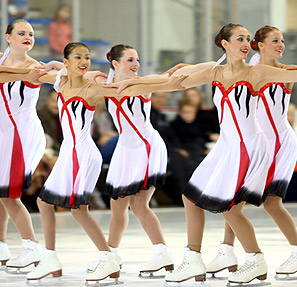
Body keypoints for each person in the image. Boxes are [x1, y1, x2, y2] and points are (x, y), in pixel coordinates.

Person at [111, 23, 297, 285]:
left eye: (247, 38)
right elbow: (175, 83)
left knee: (232, 208)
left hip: (249, 145)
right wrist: (134, 81)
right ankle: (194, 259)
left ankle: (254, 259)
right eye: (239, 39)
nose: (245, 43)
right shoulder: (216, 72)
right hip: (227, 146)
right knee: (190, 197)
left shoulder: (258, 72)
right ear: (224, 43)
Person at [3, 42, 185, 284]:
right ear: (67, 63)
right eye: (78, 57)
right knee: (45, 203)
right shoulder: (61, 81)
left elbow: (160, 84)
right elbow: (49, 69)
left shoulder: (94, 88)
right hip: (74, 151)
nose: (84, 61)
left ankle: (105, 256)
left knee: (78, 209)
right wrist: (50, 67)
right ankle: (54, 257)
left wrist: (177, 76)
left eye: (87, 57)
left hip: (84, 152)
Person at [206, 25, 297, 279]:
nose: (282, 45)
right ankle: (227, 251)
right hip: (255, 143)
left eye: (282, 41)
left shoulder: (285, 72)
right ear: (260, 45)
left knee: (270, 202)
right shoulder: (249, 69)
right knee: (234, 198)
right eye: (276, 41)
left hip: (278, 143)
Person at [100, 44, 175, 276]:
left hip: (145, 146)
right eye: (130, 60)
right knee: (117, 204)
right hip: (126, 148)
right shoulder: (106, 85)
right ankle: (111, 254)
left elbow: (171, 80)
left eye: (137, 60)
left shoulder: (142, 84)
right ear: (115, 63)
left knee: (139, 204)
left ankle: (162, 253)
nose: (136, 65)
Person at [0, 19, 47, 271]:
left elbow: (55, 75)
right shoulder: (2, 61)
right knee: (0, 193)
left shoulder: (36, 67)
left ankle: (31, 247)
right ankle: (1, 245)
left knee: (9, 194)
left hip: (22, 135)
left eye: (31, 33)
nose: (28, 36)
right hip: (4, 134)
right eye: (21, 33)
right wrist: (22, 74)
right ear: (8, 37)